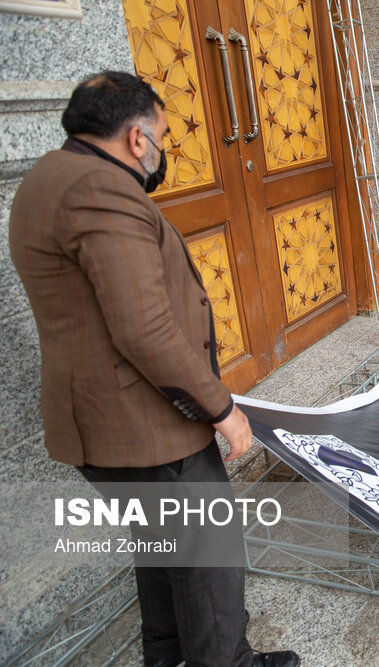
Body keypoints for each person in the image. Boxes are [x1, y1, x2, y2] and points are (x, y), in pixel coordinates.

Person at [8, 72, 298, 667]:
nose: (162, 151)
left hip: (108, 424)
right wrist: (222, 410)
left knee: (165, 553)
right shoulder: (100, 190)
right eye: (162, 137)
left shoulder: (47, 176)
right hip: (146, 427)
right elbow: (144, 329)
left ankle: (169, 658)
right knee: (209, 559)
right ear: (138, 139)